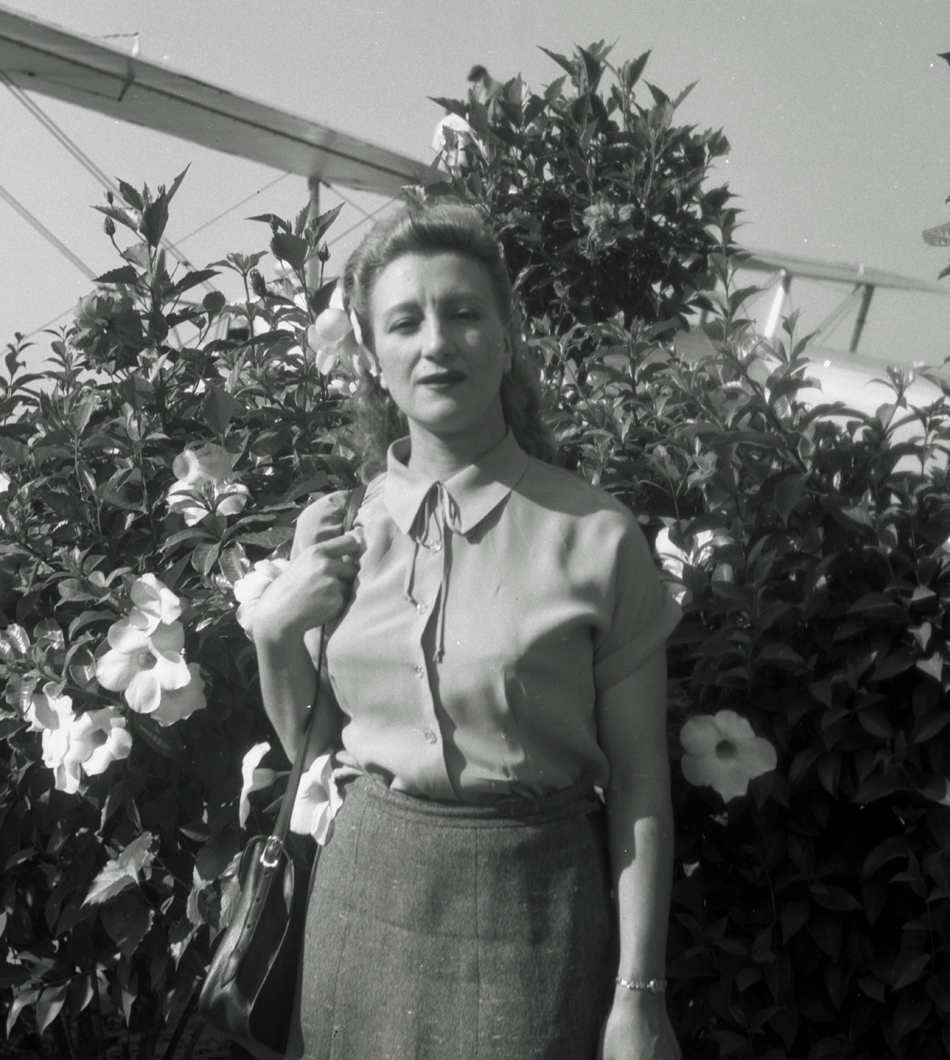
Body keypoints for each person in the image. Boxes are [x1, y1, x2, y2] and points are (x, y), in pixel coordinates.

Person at [248, 200, 682, 1060]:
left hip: (536, 913)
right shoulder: (334, 530)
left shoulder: (597, 535)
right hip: (361, 900)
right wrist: (272, 635)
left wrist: (640, 996)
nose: (436, 342)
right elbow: (315, 747)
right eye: (405, 322)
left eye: (464, 312)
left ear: (507, 335)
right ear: (371, 356)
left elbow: (639, 782)